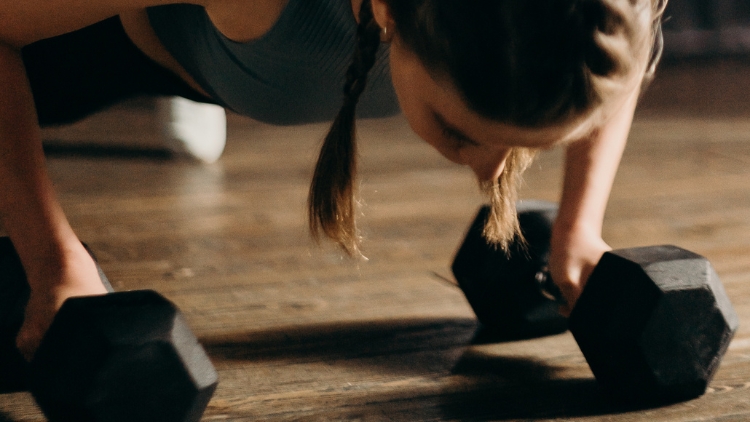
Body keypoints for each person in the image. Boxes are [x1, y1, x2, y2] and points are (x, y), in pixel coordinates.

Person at [0, 0, 665, 360]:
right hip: (85, 53)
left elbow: (617, 54)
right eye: (461, 134)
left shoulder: (588, 17)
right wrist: (52, 257)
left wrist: (580, 227)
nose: (493, 174)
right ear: (389, 12)